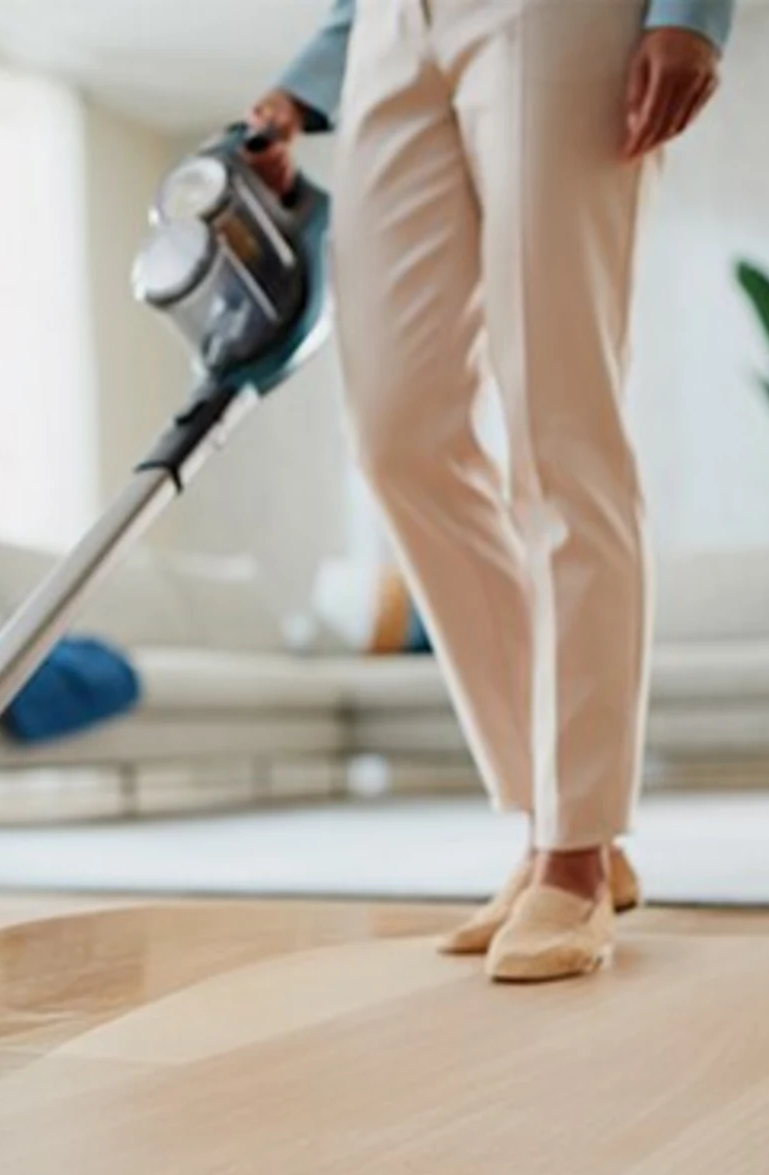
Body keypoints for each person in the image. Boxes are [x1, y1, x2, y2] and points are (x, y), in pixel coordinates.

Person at [246, 0, 732, 983]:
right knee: (397, 435)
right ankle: (560, 812)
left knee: (561, 420)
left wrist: (692, 7)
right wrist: (308, 78)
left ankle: (574, 847)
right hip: (390, 28)